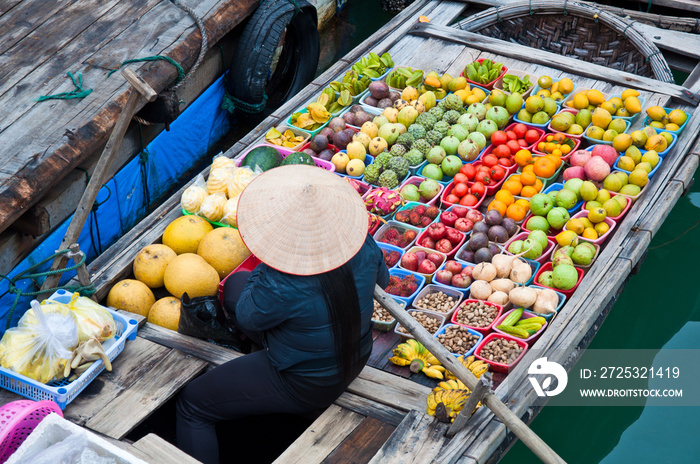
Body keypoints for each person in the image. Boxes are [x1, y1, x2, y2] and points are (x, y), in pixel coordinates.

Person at [176, 165, 389, 463]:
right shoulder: (362, 244)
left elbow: (249, 317)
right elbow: (381, 281)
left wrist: (270, 266)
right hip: (357, 353)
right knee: (236, 285)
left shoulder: (282, 281)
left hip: (307, 382)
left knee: (192, 405)